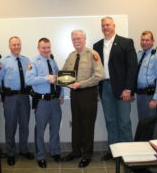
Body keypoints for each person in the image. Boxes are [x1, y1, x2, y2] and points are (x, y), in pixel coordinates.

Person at [93, 16, 137, 160]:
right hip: (104, 87)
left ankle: (128, 152)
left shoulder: (126, 42)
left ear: (114, 26)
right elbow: (96, 69)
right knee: (110, 121)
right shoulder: (97, 46)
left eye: (108, 25)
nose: (105, 27)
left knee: (124, 121)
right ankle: (113, 151)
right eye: (103, 25)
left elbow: (132, 68)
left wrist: (128, 89)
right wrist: (97, 90)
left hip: (122, 88)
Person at [62, 29, 104, 168]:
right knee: (76, 124)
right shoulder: (71, 55)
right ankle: (75, 151)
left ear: (85, 39)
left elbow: (99, 76)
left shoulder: (93, 54)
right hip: (75, 94)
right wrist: (60, 80)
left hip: (88, 94)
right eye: (74, 39)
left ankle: (87, 155)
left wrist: (81, 84)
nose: (76, 41)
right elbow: (64, 74)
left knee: (87, 125)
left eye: (79, 38)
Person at [25, 38, 64, 168]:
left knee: (55, 128)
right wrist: (45, 79)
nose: (46, 50)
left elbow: (58, 78)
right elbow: (29, 80)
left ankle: (55, 152)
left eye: (48, 47)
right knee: (40, 130)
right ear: (38, 48)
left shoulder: (52, 61)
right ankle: (40, 156)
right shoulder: (33, 62)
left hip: (54, 101)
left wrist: (62, 94)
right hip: (42, 101)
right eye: (43, 48)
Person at [0, 36, 34, 166]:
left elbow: (30, 77)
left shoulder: (26, 60)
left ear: (21, 45)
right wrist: (2, 95)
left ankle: (23, 150)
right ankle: (11, 153)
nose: (16, 47)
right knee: (10, 125)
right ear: (9, 46)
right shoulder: (3, 62)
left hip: (24, 97)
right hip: (10, 97)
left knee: (24, 125)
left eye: (18, 44)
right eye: (14, 45)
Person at [136, 31, 157, 121]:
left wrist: (155, 98)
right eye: (142, 40)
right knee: (142, 123)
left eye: (147, 40)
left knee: (152, 124)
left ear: (153, 41)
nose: (144, 42)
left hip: (151, 96)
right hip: (140, 95)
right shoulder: (139, 54)